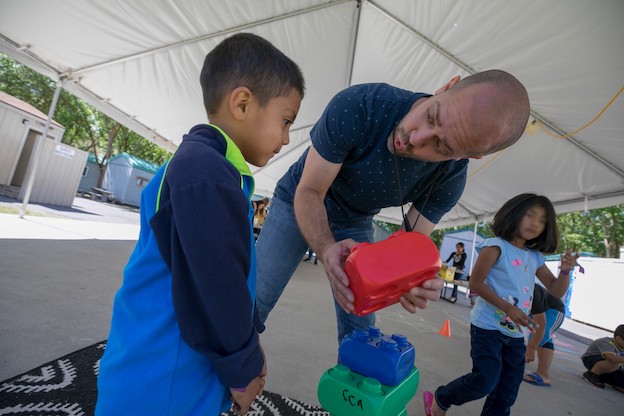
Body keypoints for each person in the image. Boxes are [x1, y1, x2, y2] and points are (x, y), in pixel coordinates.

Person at [95, 33, 305, 416]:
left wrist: (251, 335)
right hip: (165, 379)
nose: (286, 138)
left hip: (166, 371)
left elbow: (233, 272)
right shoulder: (206, 174)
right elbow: (217, 284)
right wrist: (243, 370)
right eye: (286, 121)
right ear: (242, 103)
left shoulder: (209, 168)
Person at [255, 69, 531, 342]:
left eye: (440, 146)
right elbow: (311, 191)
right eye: (431, 116)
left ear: (471, 155)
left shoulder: (449, 179)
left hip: (355, 218)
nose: (415, 137)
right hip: (300, 198)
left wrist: (412, 281)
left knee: (361, 329)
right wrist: (326, 249)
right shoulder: (359, 105)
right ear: (447, 86)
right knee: (255, 301)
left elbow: (408, 248)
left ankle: (353, 385)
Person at [424, 193, 579, 416]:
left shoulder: (535, 257)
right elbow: (476, 283)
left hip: (516, 334)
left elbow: (555, 290)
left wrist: (565, 271)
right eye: (530, 215)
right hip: (487, 327)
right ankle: (442, 397)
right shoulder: (495, 246)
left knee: (507, 391)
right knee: (485, 381)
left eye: (542, 220)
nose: (535, 223)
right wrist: (509, 308)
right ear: (514, 213)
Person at [522, 284, 566, 387]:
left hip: (554, 309)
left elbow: (541, 324)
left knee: (543, 335)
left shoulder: (533, 290)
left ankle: (543, 374)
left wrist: (531, 348)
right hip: (535, 310)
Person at [581, 324, 624, 392]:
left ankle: (603, 377)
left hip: (612, 368)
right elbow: (611, 358)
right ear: (619, 339)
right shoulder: (606, 342)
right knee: (614, 362)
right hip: (592, 360)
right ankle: (592, 374)